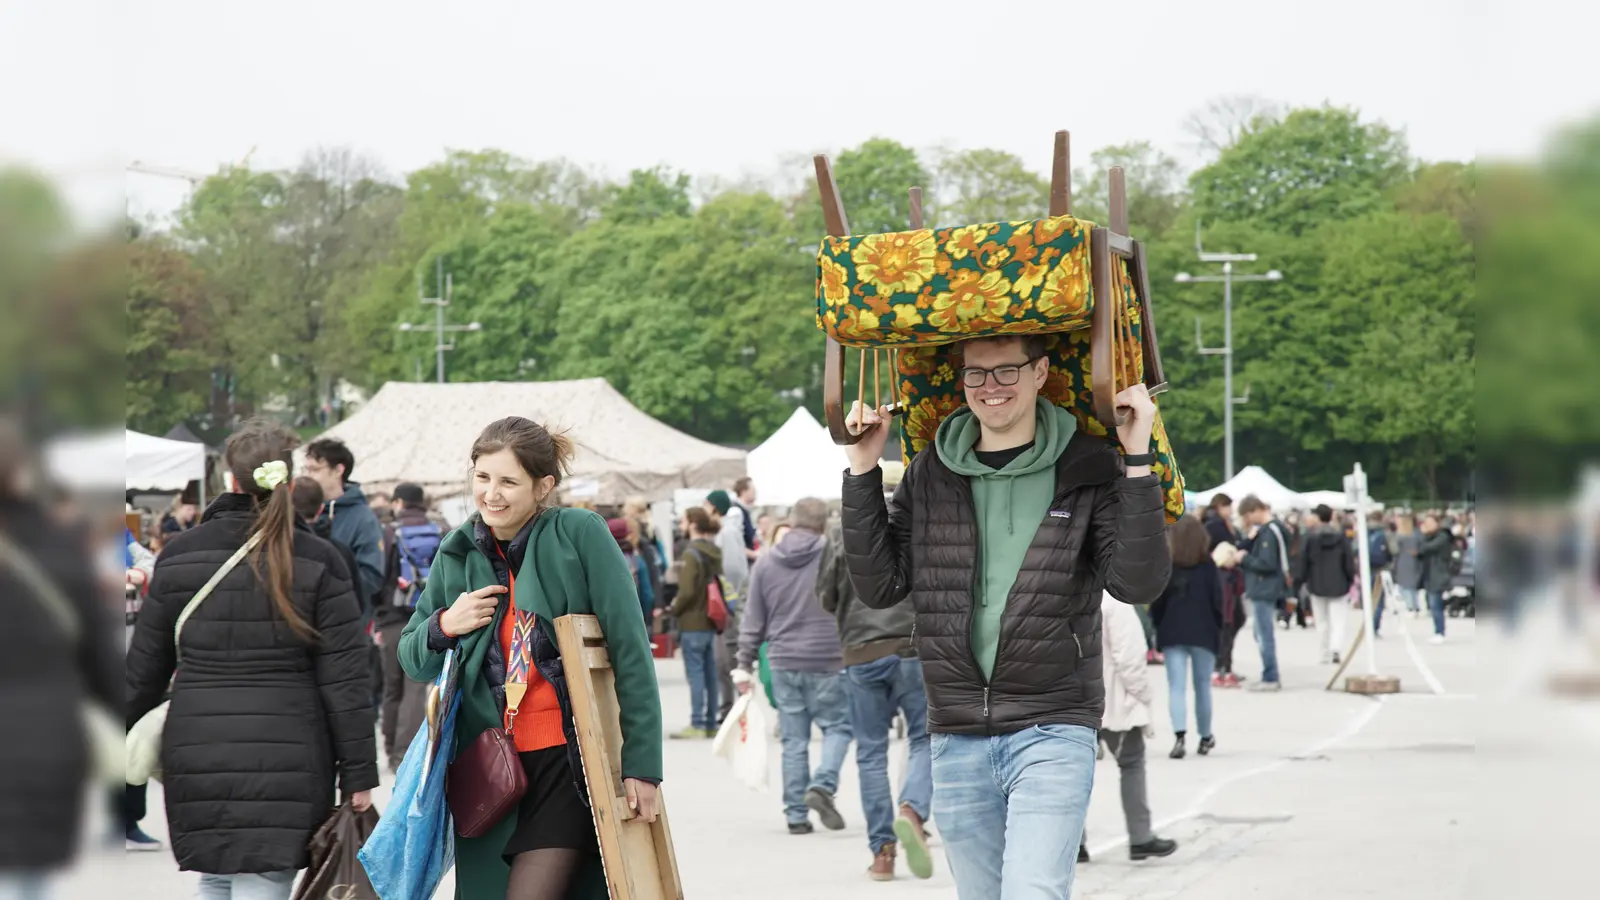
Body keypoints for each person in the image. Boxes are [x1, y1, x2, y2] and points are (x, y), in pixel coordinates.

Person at [840, 333, 1171, 899]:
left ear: (1040, 373)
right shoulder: (930, 472)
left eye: (1007, 372)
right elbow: (880, 585)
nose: (991, 388)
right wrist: (863, 470)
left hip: (1053, 725)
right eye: (977, 374)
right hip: (956, 730)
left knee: (1032, 891)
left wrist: (1137, 461)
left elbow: (1136, 581)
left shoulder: (1090, 467)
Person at [397, 416, 663, 899]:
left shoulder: (580, 534)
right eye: (482, 478)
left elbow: (630, 650)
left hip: (567, 764)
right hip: (488, 770)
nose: (491, 494)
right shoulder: (456, 551)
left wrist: (641, 764)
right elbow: (412, 659)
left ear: (544, 486)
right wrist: (443, 625)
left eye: (508, 481)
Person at [126, 419, 378, 899]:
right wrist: (359, 774)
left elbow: (143, 670)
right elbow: (346, 676)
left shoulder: (179, 555)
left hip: (197, 745)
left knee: (216, 875)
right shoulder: (320, 558)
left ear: (230, 481)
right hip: (290, 750)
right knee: (263, 877)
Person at [1, 420, 124, 896]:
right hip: (45, 740)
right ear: (21, 474)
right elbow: (101, 658)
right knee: (27, 882)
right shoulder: (59, 547)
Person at [818, 513, 933, 881]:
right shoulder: (918, 524)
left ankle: (882, 854)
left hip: (862, 651)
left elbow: (826, 595)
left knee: (870, 752)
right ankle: (912, 810)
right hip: (913, 648)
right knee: (924, 738)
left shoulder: (841, 532)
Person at [733, 499, 853, 837]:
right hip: (830, 658)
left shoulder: (766, 562)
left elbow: (753, 619)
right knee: (839, 728)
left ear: (791, 522)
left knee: (794, 740)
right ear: (823, 525)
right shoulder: (836, 556)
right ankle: (823, 785)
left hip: (784, 660)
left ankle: (796, 814)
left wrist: (743, 664)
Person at [1085, 591, 1178, 863]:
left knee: (1074, 773)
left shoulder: (1069, 593)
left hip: (1074, 700)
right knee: (1132, 764)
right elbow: (1130, 657)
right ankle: (1140, 836)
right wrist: (1144, 696)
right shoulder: (1116, 603)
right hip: (1114, 700)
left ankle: (1073, 843)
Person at [373, 482, 443, 771]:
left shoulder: (389, 532)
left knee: (392, 688)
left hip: (392, 619)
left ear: (399, 502)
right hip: (426, 617)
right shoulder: (441, 530)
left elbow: (379, 578)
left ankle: (392, 750)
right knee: (415, 687)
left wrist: (377, 617)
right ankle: (405, 754)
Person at [1150, 515, 1223, 759]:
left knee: (1176, 688)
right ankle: (1205, 736)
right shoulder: (1209, 566)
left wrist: (1158, 629)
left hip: (1173, 631)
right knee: (1203, 687)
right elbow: (1218, 602)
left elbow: (1157, 603)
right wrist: (1219, 630)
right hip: (1203, 631)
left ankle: (1179, 737)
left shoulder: (1167, 565)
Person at [302, 437, 386, 612]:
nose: (308, 476)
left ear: (338, 470)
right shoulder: (298, 510)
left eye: (315, 470)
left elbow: (372, 578)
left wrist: (329, 589)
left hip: (346, 619)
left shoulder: (363, 519)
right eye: (306, 469)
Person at [670, 507, 725, 738]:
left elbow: (687, 590)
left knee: (696, 673)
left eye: (683, 520)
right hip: (711, 619)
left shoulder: (691, 553)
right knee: (710, 672)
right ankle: (711, 722)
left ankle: (697, 723)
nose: (681, 524)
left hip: (692, 620)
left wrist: (674, 608)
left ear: (692, 523)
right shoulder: (714, 551)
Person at [703, 489, 750, 724]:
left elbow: (733, 570)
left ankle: (736, 709)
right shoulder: (723, 530)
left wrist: (729, 599)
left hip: (729, 603)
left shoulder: (727, 531)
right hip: (727, 602)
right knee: (724, 659)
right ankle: (731, 708)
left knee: (727, 659)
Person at [1236, 495, 1290, 691]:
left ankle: (1270, 677)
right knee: (1261, 633)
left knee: (1264, 634)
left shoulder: (1268, 533)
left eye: (1248, 516)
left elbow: (1267, 563)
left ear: (1256, 510)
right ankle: (1268, 674)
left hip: (1264, 587)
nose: (1248, 522)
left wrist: (1245, 559)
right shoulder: (1270, 530)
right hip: (1265, 587)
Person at [1295, 504, 1355, 663]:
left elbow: (1303, 561)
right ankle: (1336, 648)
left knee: (1321, 621)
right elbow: (1348, 561)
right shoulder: (1341, 538)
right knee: (1338, 620)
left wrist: (1300, 580)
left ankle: (1324, 652)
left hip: (1317, 583)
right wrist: (1350, 579)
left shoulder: (1310, 538)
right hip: (1339, 583)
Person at [1202, 494, 1248, 688]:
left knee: (1233, 620)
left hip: (1228, 578)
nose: (1230, 510)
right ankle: (1220, 667)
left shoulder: (1221, 523)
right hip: (1222, 578)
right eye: (1228, 506)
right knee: (1227, 622)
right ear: (1220, 506)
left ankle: (1224, 666)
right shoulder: (1214, 525)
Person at [1417, 514, 1454, 643]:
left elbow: (1426, 548)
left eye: (1430, 523)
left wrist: (1423, 536)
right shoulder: (1430, 537)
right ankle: (1438, 630)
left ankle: (1440, 631)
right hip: (1429, 573)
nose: (1427, 526)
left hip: (1438, 574)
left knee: (1435, 604)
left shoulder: (1442, 537)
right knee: (1432, 604)